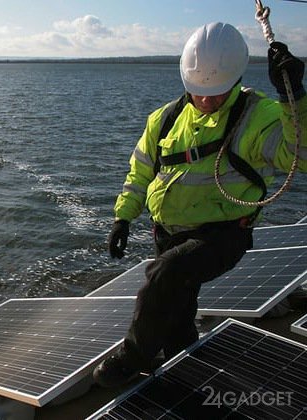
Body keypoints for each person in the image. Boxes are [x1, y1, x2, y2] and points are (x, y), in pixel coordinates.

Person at [93, 22, 306, 388]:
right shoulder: (164, 119)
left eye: (217, 94)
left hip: (222, 235)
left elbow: (300, 156)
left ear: (236, 80)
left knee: (168, 274)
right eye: (198, 92)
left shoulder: (261, 116)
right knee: (177, 309)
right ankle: (184, 367)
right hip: (168, 232)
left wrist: (294, 99)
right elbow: (141, 171)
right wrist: (123, 217)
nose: (207, 101)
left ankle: (132, 358)